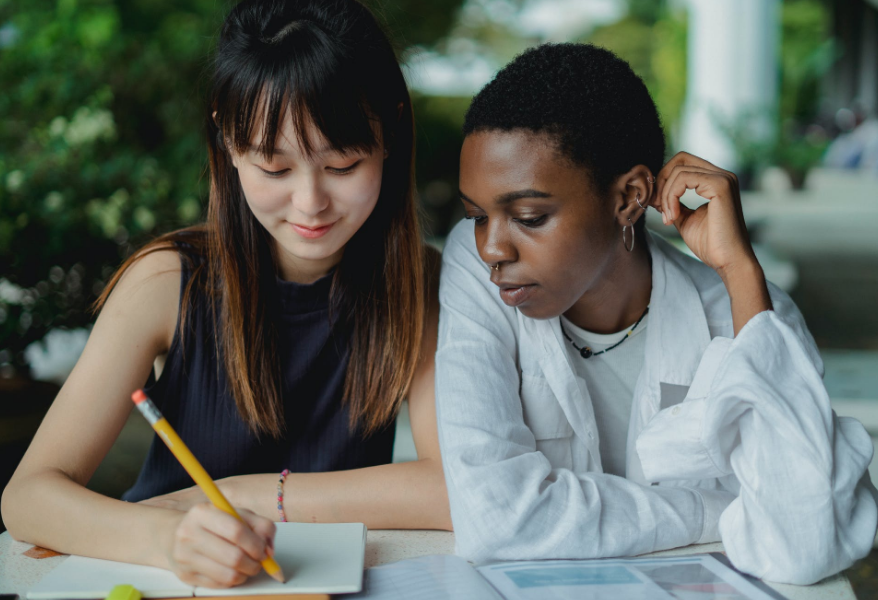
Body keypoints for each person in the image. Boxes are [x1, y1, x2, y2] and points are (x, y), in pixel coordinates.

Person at [2, 0, 449, 589]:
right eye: (274, 166)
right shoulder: (168, 281)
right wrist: (171, 540)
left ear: (390, 132)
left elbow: (454, 489)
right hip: (157, 580)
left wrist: (246, 495)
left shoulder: (420, 285)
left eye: (343, 165)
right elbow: (28, 498)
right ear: (228, 141)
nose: (311, 203)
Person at [435, 43, 878, 585]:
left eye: (529, 216)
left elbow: (804, 545)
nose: (492, 248)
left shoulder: (743, 317)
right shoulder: (477, 271)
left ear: (629, 198)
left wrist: (739, 269)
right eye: (477, 215)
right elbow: (496, 520)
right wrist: (719, 510)